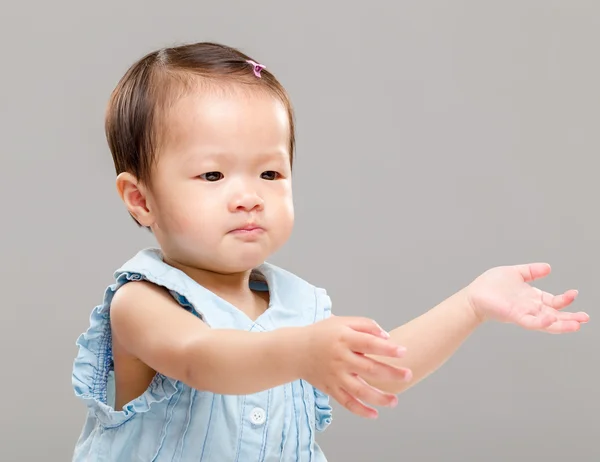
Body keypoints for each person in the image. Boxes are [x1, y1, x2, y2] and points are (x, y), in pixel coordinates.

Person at [71, 41, 589, 462]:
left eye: (271, 173)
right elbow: (201, 359)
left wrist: (472, 304)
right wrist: (302, 351)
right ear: (141, 200)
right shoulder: (141, 302)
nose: (249, 194)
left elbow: (380, 368)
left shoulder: (299, 305)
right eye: (213, 174)